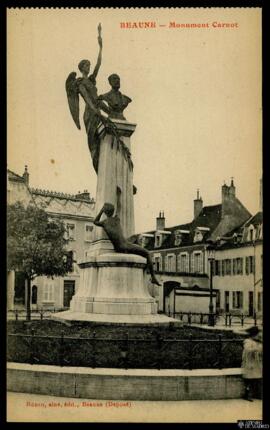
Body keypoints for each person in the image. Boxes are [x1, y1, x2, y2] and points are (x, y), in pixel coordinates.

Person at [94, 202, 161, 286]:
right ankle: (153, 277)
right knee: (147, 253)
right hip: (124, 245)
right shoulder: (116, 219)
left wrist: (101, 211)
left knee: (134, 239)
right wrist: (118, 195)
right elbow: (120, 207)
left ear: (105, 212)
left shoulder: (104, 223)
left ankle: (146, 272)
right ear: (112, 211)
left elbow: (95, 221)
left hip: (119, 246)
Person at [241, 325, 263, 401]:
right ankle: (247, 394)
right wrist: (257, 348)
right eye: (258, 334)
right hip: (249, 362)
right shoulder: (248, 341)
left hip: (256, 363)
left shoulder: (258, 342)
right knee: (249, 380)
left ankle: (258, 394)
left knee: (258, 379)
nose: (259, 336)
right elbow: (247, 350)